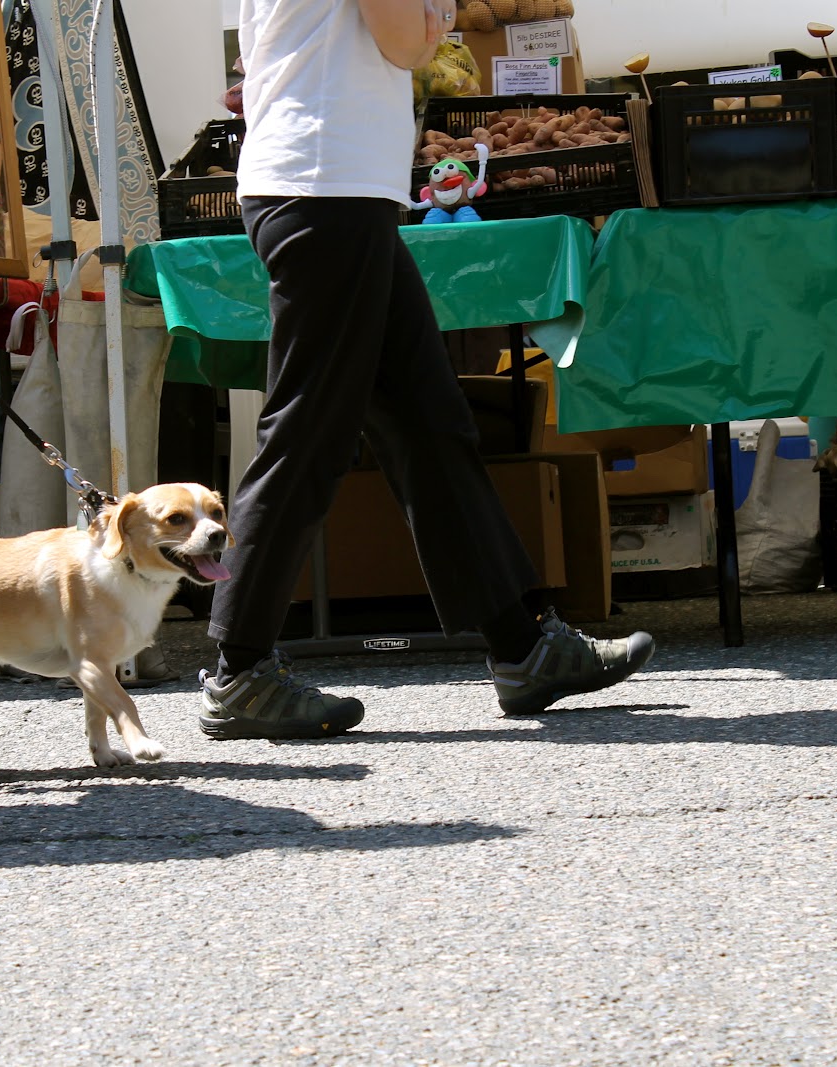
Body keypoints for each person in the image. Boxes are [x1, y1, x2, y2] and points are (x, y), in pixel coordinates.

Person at [196, 0, 656, 739]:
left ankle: (524, 643)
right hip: (327, 187)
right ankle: (238, 668)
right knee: (307, 432)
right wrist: (438, 14)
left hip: (326, 185)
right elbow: (406, 40)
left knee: (427, 420)